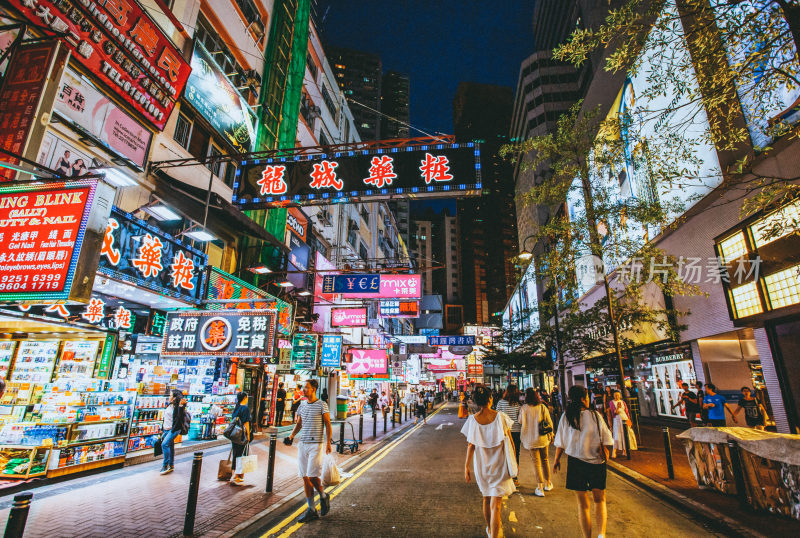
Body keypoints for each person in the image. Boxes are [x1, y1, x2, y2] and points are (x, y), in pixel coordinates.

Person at [553, 385, 614, 538]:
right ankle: (601, 534)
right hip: (597, 462)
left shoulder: (566, 416)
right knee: (600, 501)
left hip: (576, 462)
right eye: (587, 397)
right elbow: (607, 440)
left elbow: (560, 442)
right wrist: (607, 452)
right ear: (582, 399)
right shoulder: (595, 415)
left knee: (583, 505)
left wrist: (556, 460)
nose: (588, 400)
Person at [462, 384, 515, 538]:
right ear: (490, 399)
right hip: (500, 465)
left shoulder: (472, 420)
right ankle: (494, 534)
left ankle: (490, 530)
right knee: (496, 504)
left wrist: (466, 467)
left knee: (486, 498)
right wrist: (514, 462)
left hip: (482, 466)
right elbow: (510, 442)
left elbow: (470, 446)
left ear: (477, 402)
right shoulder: (501, 417)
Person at [287, 379, 333, 522]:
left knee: (312, 476)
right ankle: (311, 509)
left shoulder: (322, 405)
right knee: (305, 477)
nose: (304, 390)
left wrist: (328, 442)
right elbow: (299, 423)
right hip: (303, 444)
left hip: (316, 444)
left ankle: (324, 496)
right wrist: (292, 435)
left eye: (306, 388)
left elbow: (328, 424)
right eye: (304, 388)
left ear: (314, 389)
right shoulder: (302, 405)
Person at [519, 387, 553, 497]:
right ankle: (548, 483)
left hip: (530, 440)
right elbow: (549, 422)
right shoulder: (542, 407)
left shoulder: (524, 408)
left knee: (536, 463)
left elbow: (520, 421)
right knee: (545, 460)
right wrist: (551, 435)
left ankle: (540, 487)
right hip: (542, 438)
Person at [495, 384, 522, 486]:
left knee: (504, 454)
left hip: (504, 432)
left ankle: (505, 477)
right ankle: (515, 478)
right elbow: (520, 419)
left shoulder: (501, 403)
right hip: (516, 431)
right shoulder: (518, 404)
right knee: (515, 454)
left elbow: (497, 416)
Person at [160, 390, 186, 475]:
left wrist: (181, 406)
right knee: (170, 446)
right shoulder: (169, 405)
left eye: (170, 395)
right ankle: (171, 465)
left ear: (174, 398)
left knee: (164, 444)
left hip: (173, 429)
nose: (169, 397)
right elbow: (166, 418)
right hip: (166, 429)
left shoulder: (179, 407)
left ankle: (165, 465)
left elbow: (179, 418)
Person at [229, 391, 252, 484]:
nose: (247, 399)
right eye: (246, 397)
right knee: (241, 454)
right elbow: (246, 422)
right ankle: (235, 477)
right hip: (242, 434)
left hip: (234, 434)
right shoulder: (245, 409)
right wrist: (248, 435)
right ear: (244, 398)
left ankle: (236, 474)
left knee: (235, 454)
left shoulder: (236, 408)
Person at [608, 391, 637, 458]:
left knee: (625, 434)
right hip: (617, 420)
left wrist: (629, 420)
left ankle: (625, 450)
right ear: (613, 395)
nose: (617, 396)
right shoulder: (612, 402)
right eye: (615, 395)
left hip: (624, 419)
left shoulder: (623, 402)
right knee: (617, 435)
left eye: (618, 395)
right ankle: (614, 451)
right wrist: (618, 407)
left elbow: (626, 412)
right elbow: (614, 413)